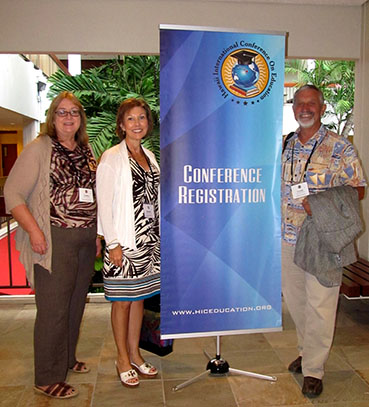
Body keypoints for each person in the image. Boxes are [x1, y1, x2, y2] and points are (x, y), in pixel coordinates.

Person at [4, 91, 100, 399]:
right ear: (52, 117)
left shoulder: (86, 150)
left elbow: (93, 195)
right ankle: (46, 377)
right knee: (53, 310)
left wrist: (96, 236)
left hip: (85, 239)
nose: (69, 117)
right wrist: (34, 232)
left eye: (74, 112)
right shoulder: (40, 148)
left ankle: (66, 359)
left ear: (81, 118)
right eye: (62, 112)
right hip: (54, 237)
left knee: (73, 305)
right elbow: (13, 194)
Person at [281, 85, 366, 398]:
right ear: (293, 108)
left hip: (322, 239)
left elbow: (358, 189)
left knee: (321, 304)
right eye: (300, 103)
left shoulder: (340, 146)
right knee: (297, 302)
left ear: (322, 107)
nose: (305, 108)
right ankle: (306, 352)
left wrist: (319, 201)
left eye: (311, 103)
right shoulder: (285, 144)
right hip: (288, 236)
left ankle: (314, 370)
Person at [96, 98, 160, 388]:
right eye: (131, 119)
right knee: (122, 302)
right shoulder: (111, 158)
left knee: (139, 302)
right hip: (123, 243)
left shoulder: (150, 156)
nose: (137, 123)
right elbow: (104, 204)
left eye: (142, 118)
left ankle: (135, 354)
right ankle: (122, 358)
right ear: (121, 125)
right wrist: (113, 244)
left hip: (149, 243)